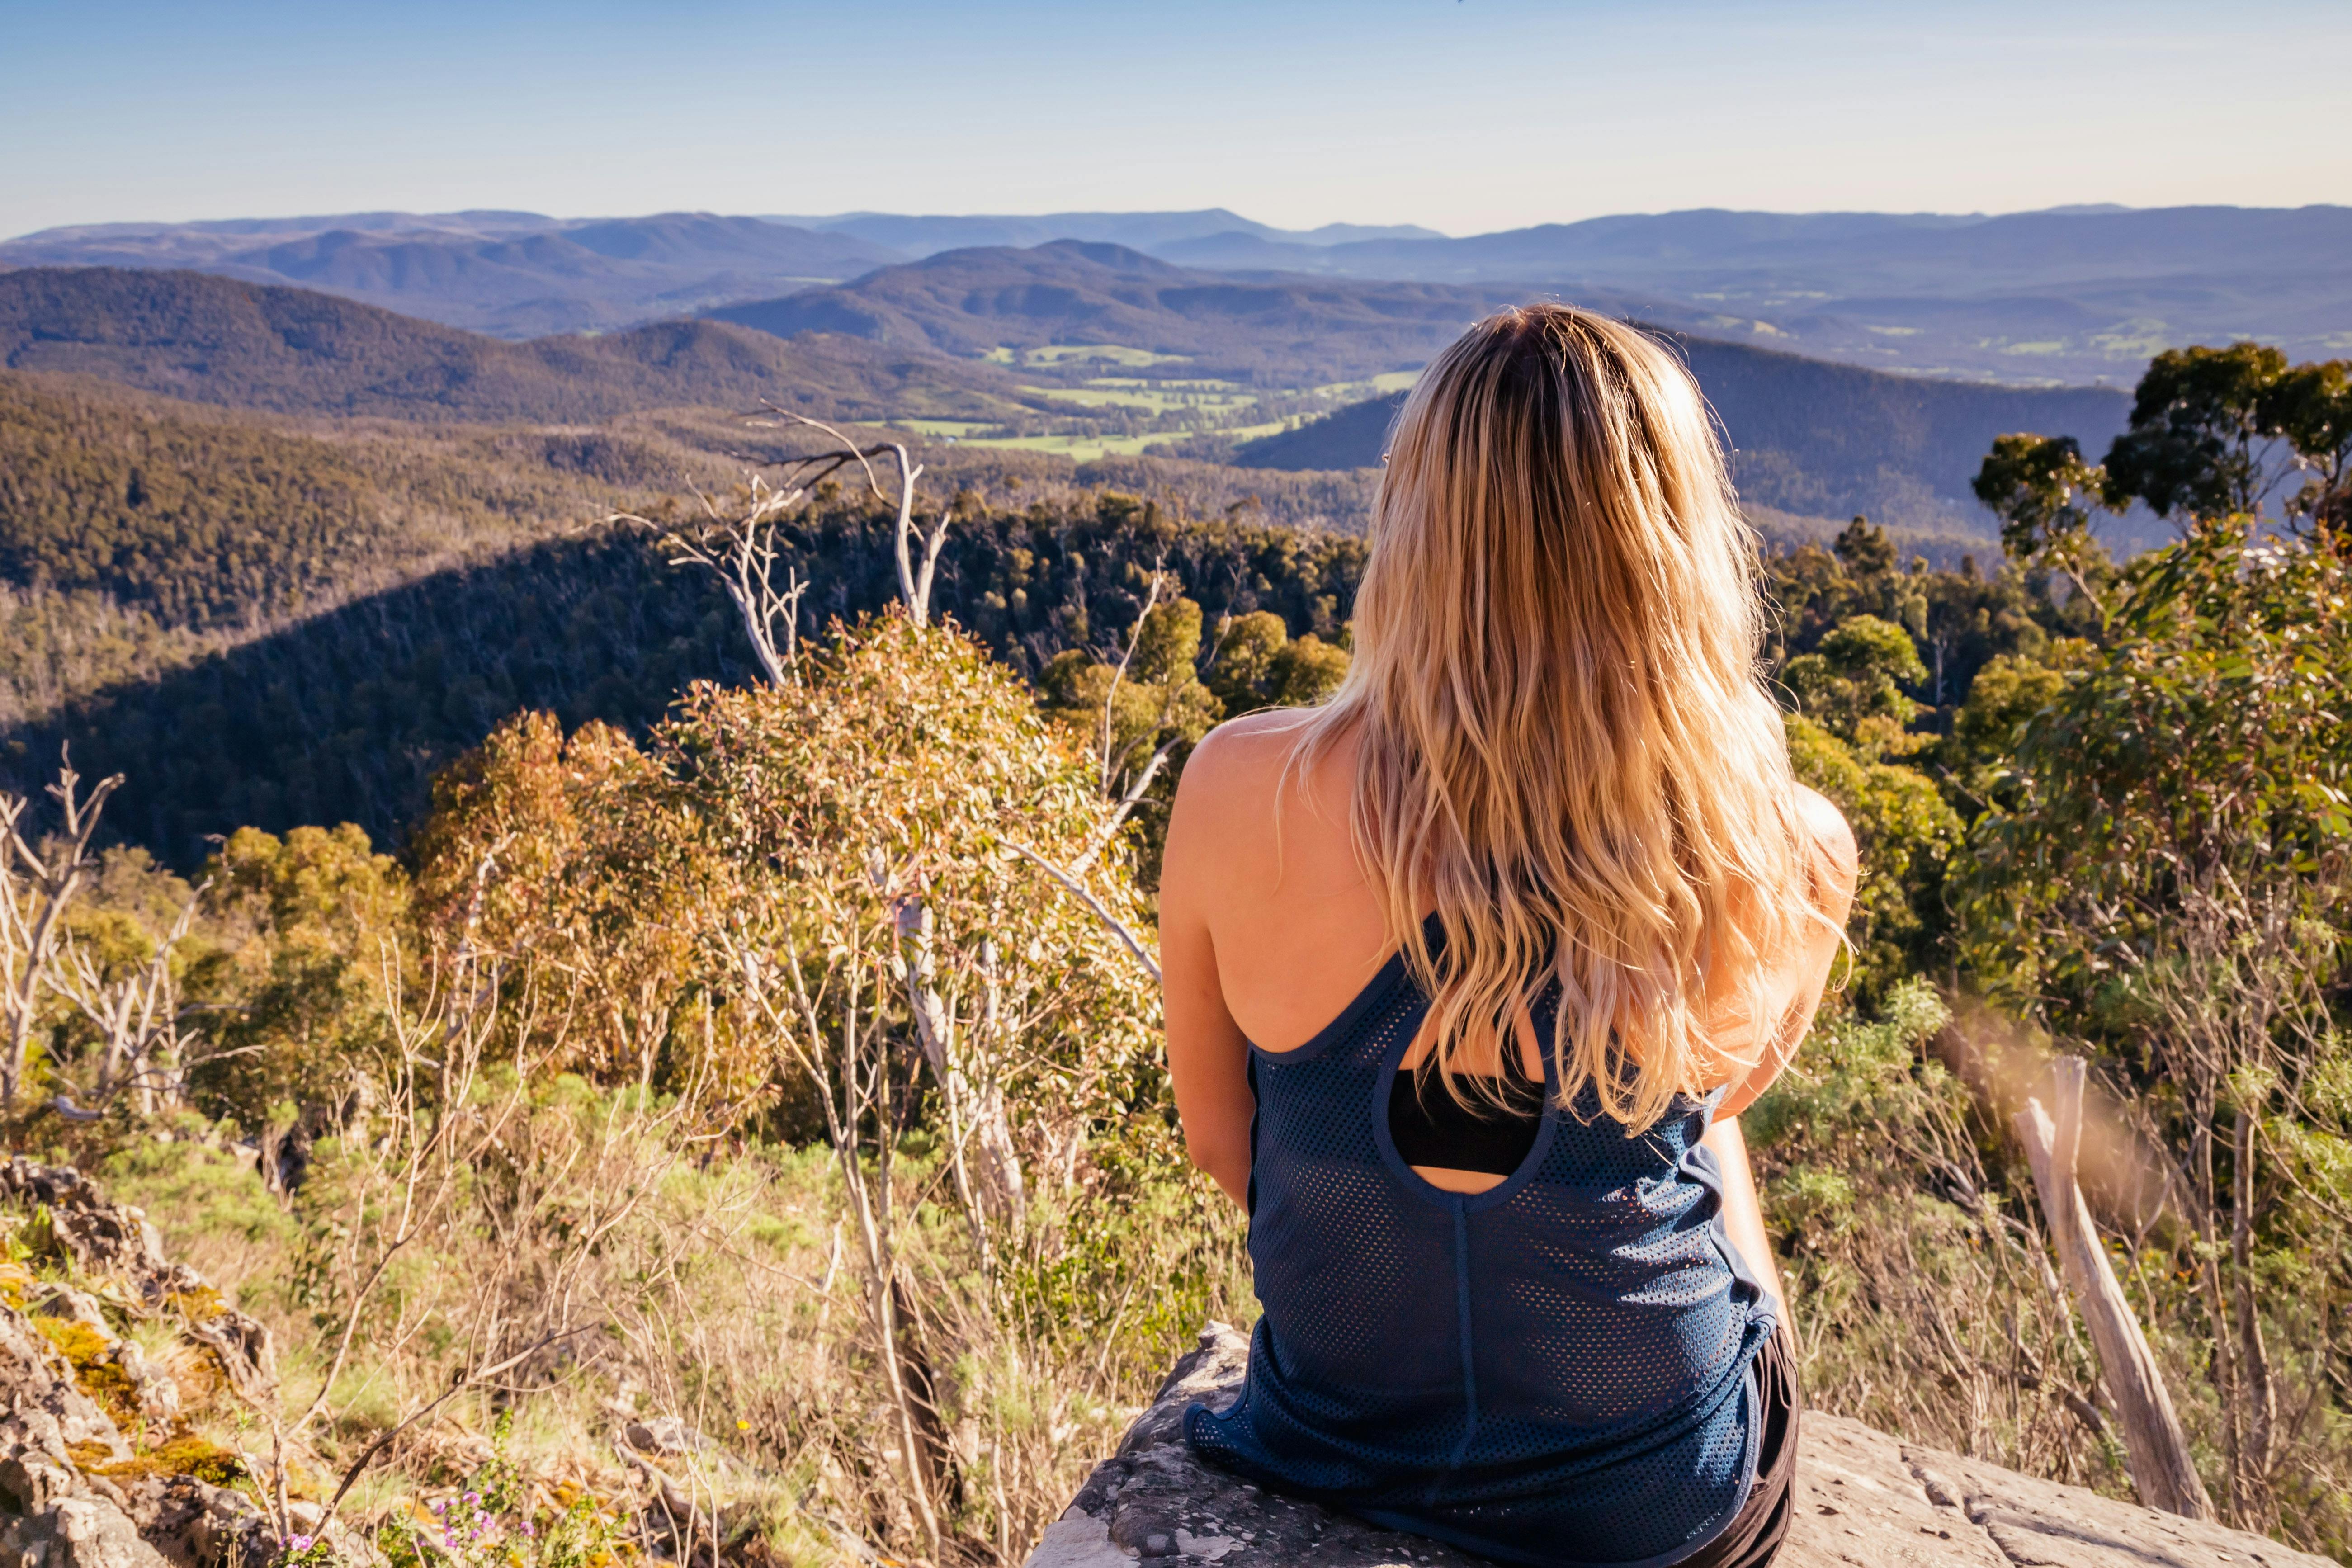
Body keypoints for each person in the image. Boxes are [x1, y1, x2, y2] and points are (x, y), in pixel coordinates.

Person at [1157, 304, 1857, 1568]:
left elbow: (1226, 1143)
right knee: (1683, 1117)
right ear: (1675, 541)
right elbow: (1714, 1099)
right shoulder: (1780, 848)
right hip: (1660, 1500)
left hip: (1333, 1444)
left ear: (1412, 525)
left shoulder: (1233, 788)